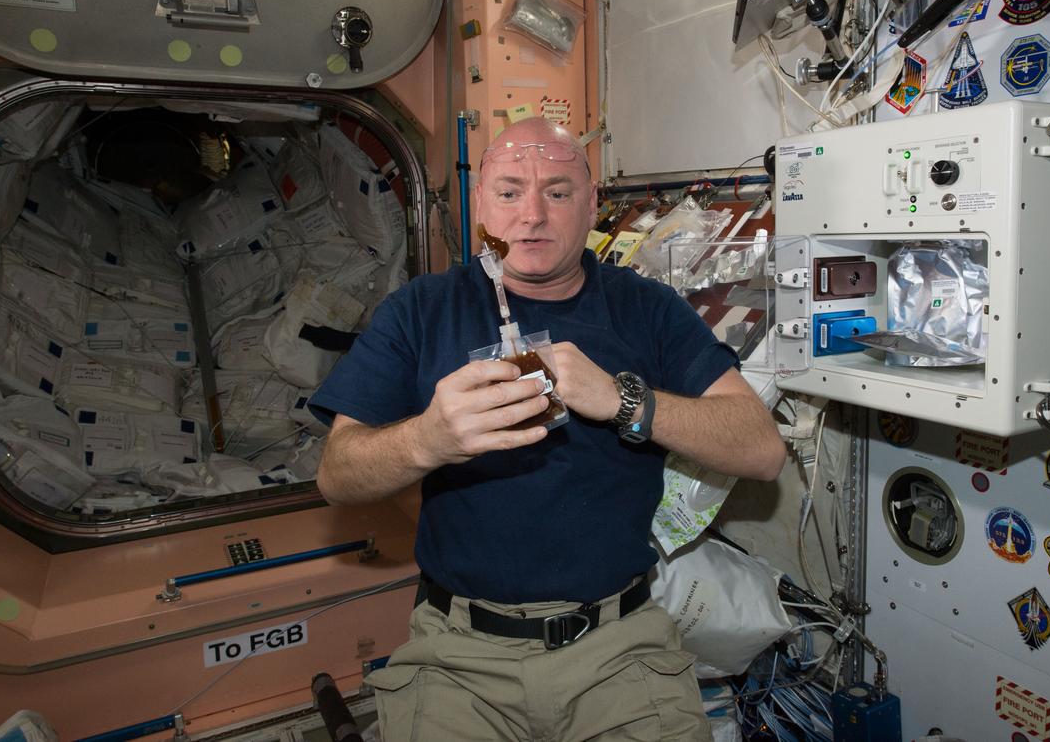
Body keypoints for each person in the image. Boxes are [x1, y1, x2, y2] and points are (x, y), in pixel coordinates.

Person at [310, 116, 787, 742]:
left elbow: (762, 450)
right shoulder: (421, 311)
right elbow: (337, 475)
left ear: (591, 204)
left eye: (557, 192)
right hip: (459, 656)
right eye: (509, 192)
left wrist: (622, 399)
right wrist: (428, 438)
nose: (531, 215)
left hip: (619, 646)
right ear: (480, 204)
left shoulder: (646, 308)